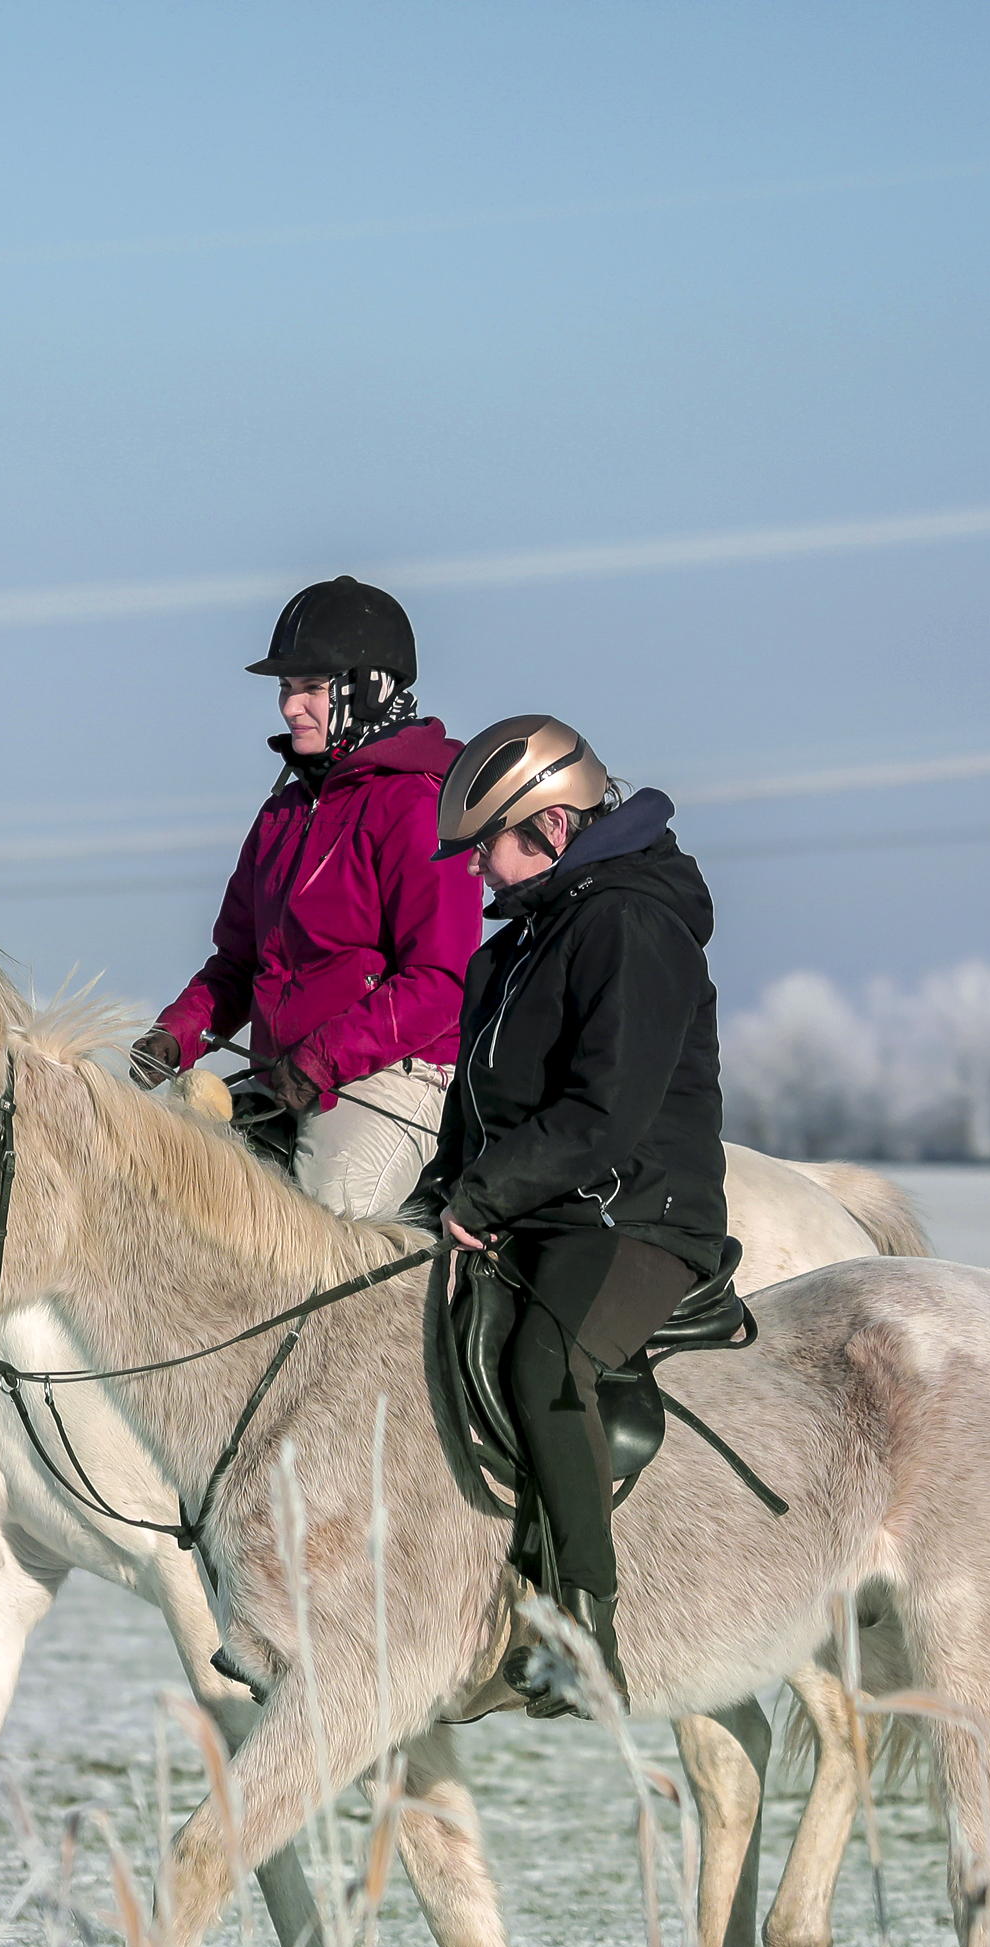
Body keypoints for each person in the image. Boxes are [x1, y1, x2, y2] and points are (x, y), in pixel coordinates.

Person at [412, 715, 728, 1688]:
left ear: (550, 826)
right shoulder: (517, 949)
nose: (478, 874)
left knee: (545, 1356)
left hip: (633, 1214)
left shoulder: (630, 927)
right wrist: (435, 1198)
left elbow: (606, 1115)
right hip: (540, 1208)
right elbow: (475, 1105)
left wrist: (490, 1192)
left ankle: (581, 1627)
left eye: (489, 849)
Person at [128, 578, 478, 1220]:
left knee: (321, 1234)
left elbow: (442, 980)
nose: (291, 708)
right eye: (287, 689)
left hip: (390, 1080)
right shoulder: (282, 813)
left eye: (310, 688)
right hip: (286, 1074)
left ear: (368, 689)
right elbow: (237, 963)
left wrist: (322, 1058)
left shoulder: (418, 806)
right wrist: (176, 1035)